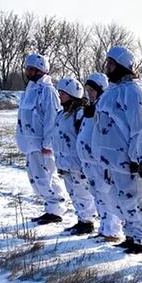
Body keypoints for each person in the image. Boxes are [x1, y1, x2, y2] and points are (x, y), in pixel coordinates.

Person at [92, 46, 142, 254]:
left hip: (127, 159)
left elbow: (138, 128)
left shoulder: (133, 92)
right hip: (111, 159)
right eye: (107, 63)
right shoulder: (111, 91)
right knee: (119, 200)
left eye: (111, 64)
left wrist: (137, 158)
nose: (108, 67)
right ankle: (131, 235)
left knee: (135, 199)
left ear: (123, 66)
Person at [15, 52, 68, 225]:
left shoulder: (48, 91)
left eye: (32, 69)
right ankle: (50, 208)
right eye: (27, 69)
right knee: (36, 178)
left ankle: (56, 208)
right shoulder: (29, 90)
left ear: (41, 70)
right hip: (30, 143)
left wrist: (48, 143)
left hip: (42, 145)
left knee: (47, 177)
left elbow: (51, 119)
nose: (28, 72)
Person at [76, 72, 123, 241]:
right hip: (89, 160)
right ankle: (104, 227)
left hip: (100, 161)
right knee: (98, 195)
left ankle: (112, 230)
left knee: (107, 195)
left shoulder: (103, 109)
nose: (89, 94)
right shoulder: (90, 109)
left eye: (92, 90)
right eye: (87, 90)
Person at [52, 77, 96, 235]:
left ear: (72, 94)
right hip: (65, 162)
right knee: (73, 194)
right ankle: (81, 219)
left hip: (78, 163)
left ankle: (87, 221)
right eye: (59, 93)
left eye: (62, 93)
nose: (60, 96)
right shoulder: (61, 114)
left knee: (82, 193)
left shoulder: (80, 114)